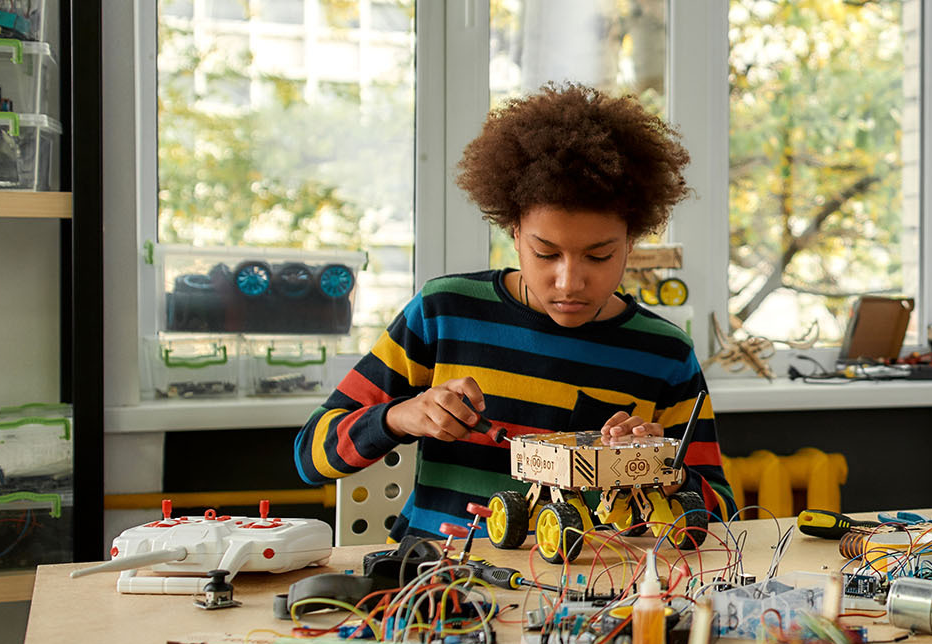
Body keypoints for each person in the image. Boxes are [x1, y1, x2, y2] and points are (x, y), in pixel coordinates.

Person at [292, 83, 736, 540]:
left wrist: (662, 467)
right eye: (545, 253)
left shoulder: (665, 354)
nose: (569, 282)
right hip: (436, 579)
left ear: (632, 241)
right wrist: (399, 416)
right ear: (514, 231)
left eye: (599, 256)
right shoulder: (444, 313)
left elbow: (721, 516)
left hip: (586, 589)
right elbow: (311, 455)